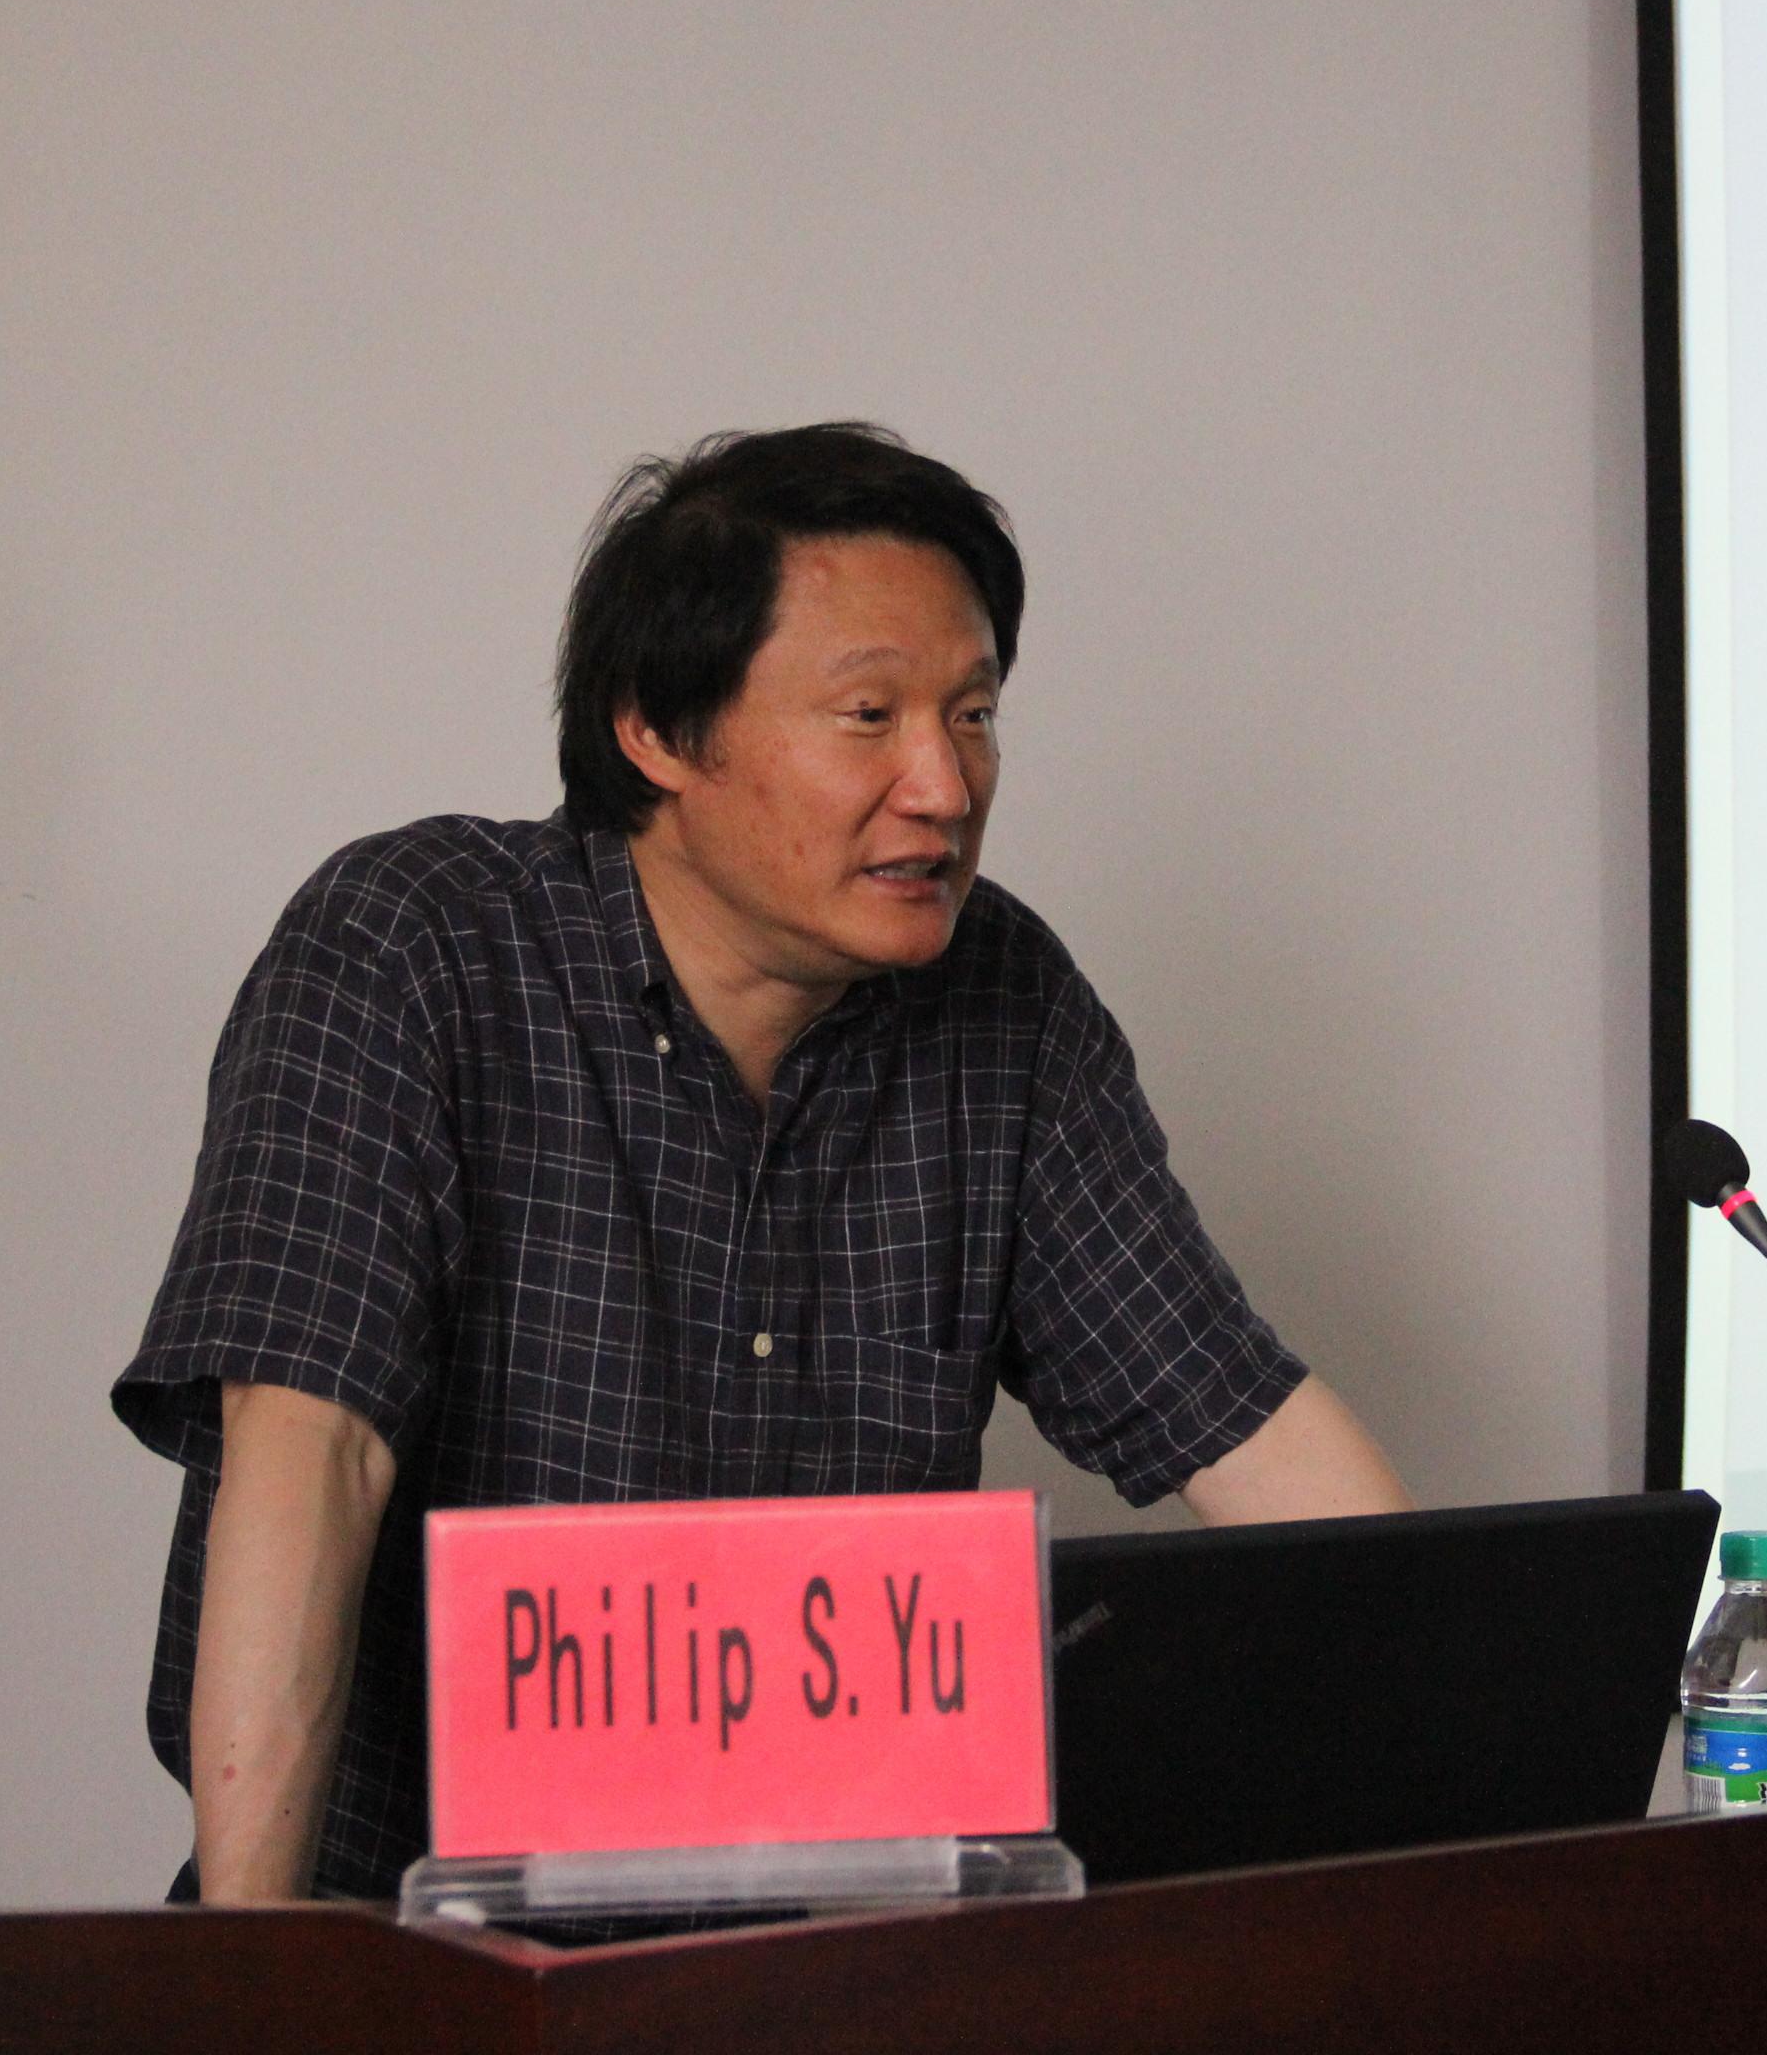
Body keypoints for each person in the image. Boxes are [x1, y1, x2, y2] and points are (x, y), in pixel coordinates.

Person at [112, 422, 1409, 1902]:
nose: (943, 785)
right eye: (869, 716)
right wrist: (264, 1971)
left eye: (974, 715)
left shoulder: (1004, 1001)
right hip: (422, 1944)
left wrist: (1484, 1794)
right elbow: (308, 1455)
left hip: (833, 1955)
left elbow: (1245, 1431)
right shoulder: (412, 948)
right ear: (657, 731)